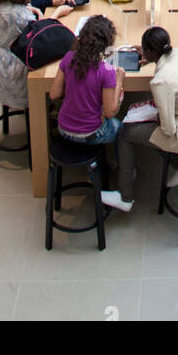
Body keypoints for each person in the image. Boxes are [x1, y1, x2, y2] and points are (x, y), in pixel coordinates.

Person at [115, 27, 178, 199]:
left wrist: (151, 119)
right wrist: (153, 58)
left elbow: (169, 130)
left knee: (125, 132)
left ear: (148, 52)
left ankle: (124, 195)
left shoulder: (160, 81)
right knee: (149, 127)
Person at [50, 15, 133, 213]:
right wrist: (119, 80)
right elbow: (111, 110)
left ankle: (99, 166)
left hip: (63, 129)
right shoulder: (105, 71)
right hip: (89, 133)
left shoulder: (69, 59)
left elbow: (54, 94)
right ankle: (125, 180)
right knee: (122, 130)